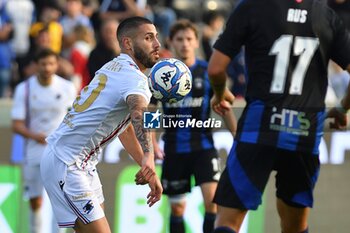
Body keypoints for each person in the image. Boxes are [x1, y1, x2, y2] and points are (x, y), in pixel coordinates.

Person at [207, 0, 350, 233]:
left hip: (259, 128)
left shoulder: (252, 7)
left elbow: (215, 68)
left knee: (227, 224)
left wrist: (221, 92)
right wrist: (343, 109)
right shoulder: (326, 15)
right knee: (295, 227)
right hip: (304, 133)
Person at [40, 16, 163, 233]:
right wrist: (149, 156)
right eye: (148, 37)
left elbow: (123, 128)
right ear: (128, 43)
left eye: (156, 37)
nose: (157, 44)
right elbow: (139, 112)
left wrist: (147, 167)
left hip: (82, 163)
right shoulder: (135, 79)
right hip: (67, 163)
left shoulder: (113, 67)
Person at [150, 19, 236, 233]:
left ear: (196, 42)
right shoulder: (161, 75)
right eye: (179, 39)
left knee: (212, 203)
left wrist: (238, 137)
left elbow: (225, 105)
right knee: (177, 208)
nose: (185, 44)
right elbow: (150, 111)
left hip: (203, 147)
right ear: (170, 42)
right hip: (174, 148)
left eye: (189, 39)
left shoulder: (209, 72)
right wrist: (150, 142)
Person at [11, 48, 77, 233]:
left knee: (61, 199)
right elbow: (17, 124)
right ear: (36, 66)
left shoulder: (67, 88)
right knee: (35, 200)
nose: (47, 68)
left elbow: (74, 119)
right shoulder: (24, 89)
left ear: (56, 64)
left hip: (59, 151)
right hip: (33, 150)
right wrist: (36, 136)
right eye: (43, 64)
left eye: (51, 63)